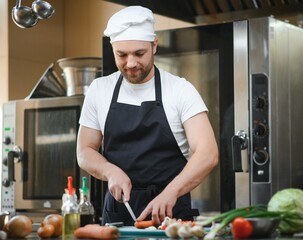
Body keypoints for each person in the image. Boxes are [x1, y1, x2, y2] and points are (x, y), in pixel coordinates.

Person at [76, 5, 218, 226]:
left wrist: (172, 191)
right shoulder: (99, 89)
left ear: (154, 46)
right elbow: (84, 151)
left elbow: (208, 153)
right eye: (121, 55)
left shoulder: (180, 90)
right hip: (118, 216)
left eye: (139, 53)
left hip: (172, 214)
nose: (131, 63)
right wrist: (109, 171)